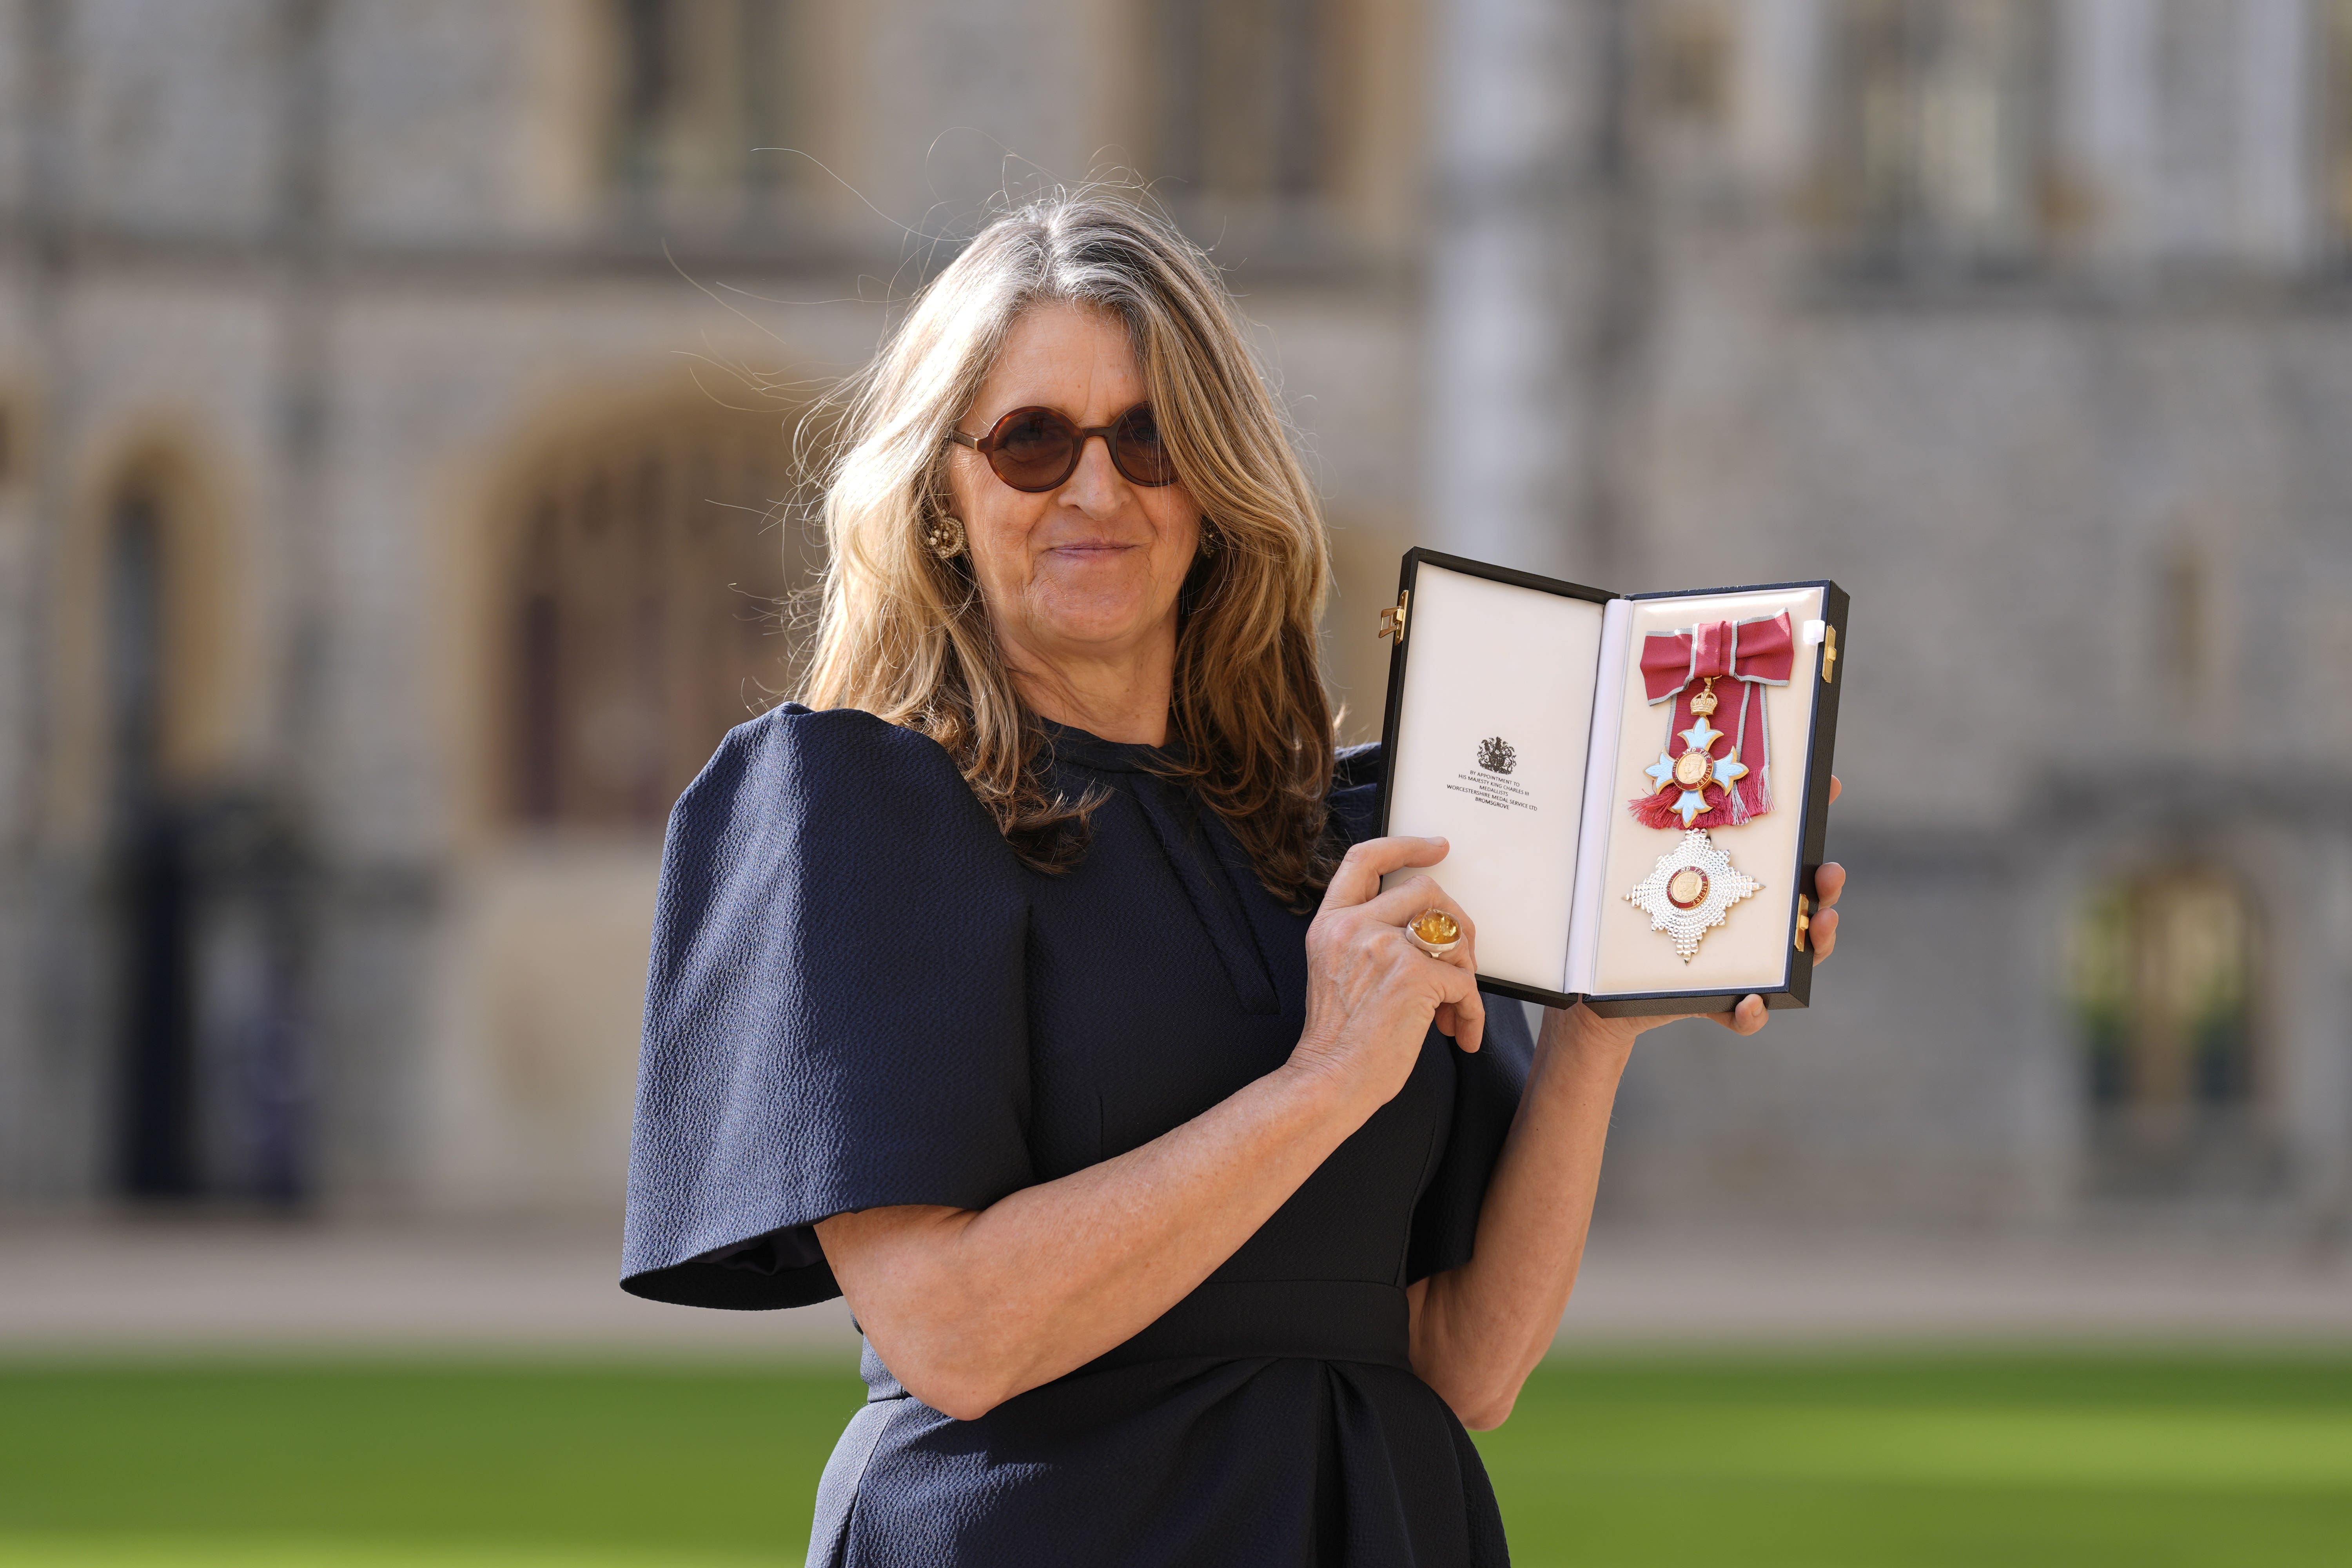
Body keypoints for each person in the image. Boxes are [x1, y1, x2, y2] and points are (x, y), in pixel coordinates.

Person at [621, 192, 1846, 1567]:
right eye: (1032, 441)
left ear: (1216, 485)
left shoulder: (1367, 835)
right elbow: (955, 1334)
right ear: (945, 494)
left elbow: (1465, 1367)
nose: (1098, 488)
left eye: (1150, 439)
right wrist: (1327, 1080)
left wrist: (1593, 1035)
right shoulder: (861, 806)